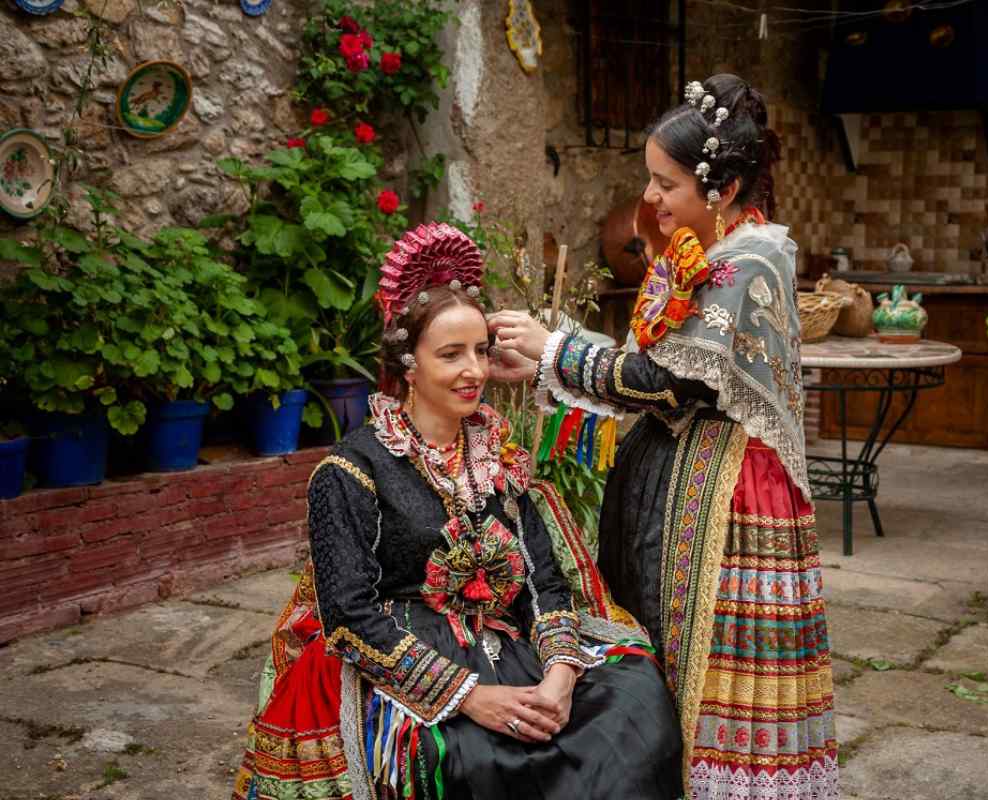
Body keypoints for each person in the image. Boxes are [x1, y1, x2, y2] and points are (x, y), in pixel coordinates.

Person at [231, 223, 682, 800]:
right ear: (408, 365)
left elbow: (543, 581)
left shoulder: (500, 457)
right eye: (450, 354)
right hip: (405, 657)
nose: (474, 370)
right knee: (471, 760)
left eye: (481, 351)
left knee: (635, 698)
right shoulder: (350, 472)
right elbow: (348, 616)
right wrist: (471, 697)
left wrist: (561, 678)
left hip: (509, 643)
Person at [489, 74, 838, 799]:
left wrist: (555, 347)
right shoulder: (697, 252)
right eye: (650, 178)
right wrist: (551, 353)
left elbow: (665, 382)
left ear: (726, 186)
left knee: (716, 671)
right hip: (674, 475)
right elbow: (646, 363)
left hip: (729, 500)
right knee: (661, 654)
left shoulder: (752, 263)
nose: (650, 198)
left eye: (666, 183)